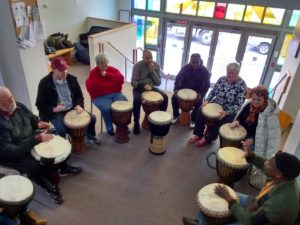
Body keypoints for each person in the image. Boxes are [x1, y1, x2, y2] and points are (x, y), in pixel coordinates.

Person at [0, 87, 79, 204]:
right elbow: (11, 151)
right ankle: (50, 188)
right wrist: (36, 139)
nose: (12, 100)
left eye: (11, 96)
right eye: (8, 99)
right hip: (14, 154)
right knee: (33, 165)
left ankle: (63, 168)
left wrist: (38, 123)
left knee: (55, 136)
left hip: (32, 138)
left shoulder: (19, 106)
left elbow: (32, 118)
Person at [182, 146, 300, 225]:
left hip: (259, 219)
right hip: (259, 203)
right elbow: (264, 166)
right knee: (214, 197)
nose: (266, 162)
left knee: (228, 201)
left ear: (279, 174)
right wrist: (251, 156)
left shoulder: (281, 203)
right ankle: (200, 222)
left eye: (270, 163)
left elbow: (250, 221)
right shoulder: (282, 178)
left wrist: (230, 201)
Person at [36, 56, 100, 145]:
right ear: (53, 69)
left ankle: (90, 136)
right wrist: (53, 109)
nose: (65, 72)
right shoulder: (44, 83)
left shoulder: (72, 79)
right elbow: (40, 104)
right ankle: (65, 143)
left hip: (72, 108)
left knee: (92, 119)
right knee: (62, 129)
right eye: (61, 70)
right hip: (57, 112)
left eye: (66, 69)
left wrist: (78, 105)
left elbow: (79, 95)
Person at [188, 62, 247, 147]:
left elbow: (239, 104)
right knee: (200, 110)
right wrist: (207, 101)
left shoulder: (242, 85)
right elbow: (213, 91)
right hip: (216, 103)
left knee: (225, 121)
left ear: (238, 73)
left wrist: (226, 112)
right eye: (228, 72)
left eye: (232, 73)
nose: (229, 75)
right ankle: (198, 134)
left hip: (229, 109)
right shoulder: (221, 79)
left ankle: (207, 138)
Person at [231, 86, 280, 157]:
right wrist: (237, 121)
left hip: (256, 139)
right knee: (229, 146)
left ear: (265, 99)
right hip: (242, 132)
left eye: (259, 100)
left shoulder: (271, 115)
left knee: (241, 155)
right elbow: (240, 117)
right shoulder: (248, 105)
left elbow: (274, 138)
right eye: (254, 99)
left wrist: (253, 140)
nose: (255, 102)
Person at [86, 53, 127, 136]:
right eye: (101, 63)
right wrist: (114, 85)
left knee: (124, 104)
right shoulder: (93, 73)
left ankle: (122, 126)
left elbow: (121, 79)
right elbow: (95, 88)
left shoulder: (111, 70)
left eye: (105, 62)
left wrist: (108, 75)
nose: (104, 64)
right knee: (107, 109)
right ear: (97, 64)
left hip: (115, 93)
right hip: (99, 96)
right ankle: (110, 129)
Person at [131, 49, 168, 135]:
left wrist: (152, 72)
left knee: (165, 97)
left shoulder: (156, 65)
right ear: (143, 58)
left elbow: (158, 83)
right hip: (139, 88)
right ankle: (136, 123)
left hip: (151, 87)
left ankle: (160, 119)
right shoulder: (137, 66)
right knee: (136, 101)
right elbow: (133, 82)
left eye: (151, 57)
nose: (149, 60)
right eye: (147, 58)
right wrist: (142, 86)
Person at [171, 53, 210, 128]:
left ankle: (193, 119)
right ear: (190, 61)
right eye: (193, 62)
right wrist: (176, 89)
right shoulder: (185, 68)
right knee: (174, 98)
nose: (195, 64)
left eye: (197, 62)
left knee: (199, 103)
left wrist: (201, 94)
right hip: (184, 89)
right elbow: (178, 79)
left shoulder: (204, 71)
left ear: (200, 61)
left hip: (197, 92)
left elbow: (207, 85)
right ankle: (176, 115)